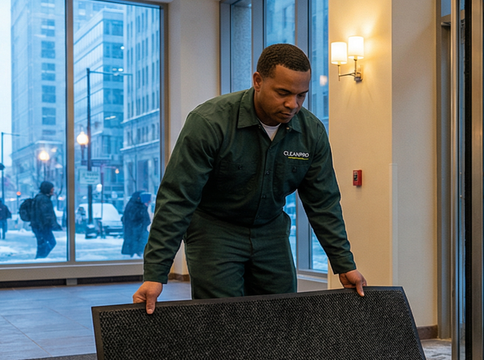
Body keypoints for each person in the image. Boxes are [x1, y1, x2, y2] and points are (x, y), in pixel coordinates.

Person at [133, 43, 366, 313]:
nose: (293, 104)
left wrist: (344, 263)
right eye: (283, 93)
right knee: (224, 319)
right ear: (258, 81)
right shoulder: (209, 122)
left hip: (271, 229)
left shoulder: (311, 132)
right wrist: (156, 273)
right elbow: (177, 198)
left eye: (301, 95)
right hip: (214, 230)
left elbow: (323, 202)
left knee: (281, 316)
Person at [30, 181, 59, 259]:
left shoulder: (38, 197)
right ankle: (40, 259)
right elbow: (47, 214)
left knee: (42, 244)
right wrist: (54, 225)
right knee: (50, 243)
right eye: (52, 189)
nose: (53, 191)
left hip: (38, 226)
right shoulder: (44, 199)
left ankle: (39, 260)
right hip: (43, 227)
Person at [120, 191, 152, 257]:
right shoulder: (137, 207)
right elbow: (138, 217)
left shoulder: (133, 205)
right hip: (136, 232)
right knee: (135, 246)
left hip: (136, 232)